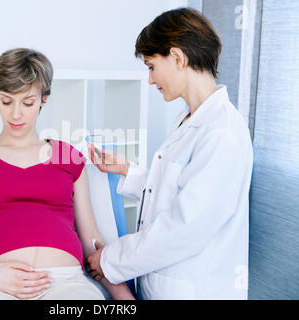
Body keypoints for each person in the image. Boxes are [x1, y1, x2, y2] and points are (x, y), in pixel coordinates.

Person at [0, 48, 134, 300]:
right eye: (6, 101)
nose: (16, 114)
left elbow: (92, 242)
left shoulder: (68, 156)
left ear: (44, 99)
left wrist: (123, 296)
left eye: (27, 102)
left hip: (66, 285)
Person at [85, 7, 254, 300]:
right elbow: (177, 193)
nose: (150, 79)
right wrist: (130, 172)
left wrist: (110, 261)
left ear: (177, 57)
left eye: (152, 66)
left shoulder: (222, 133)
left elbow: (185, 227)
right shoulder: (188, 119)